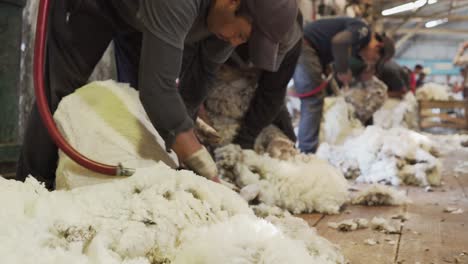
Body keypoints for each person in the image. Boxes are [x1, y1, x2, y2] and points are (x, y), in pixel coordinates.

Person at [16, 0, 299, 189]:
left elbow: (199, 79)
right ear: (233, 1)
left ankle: (139, 187)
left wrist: (182, 140)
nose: (237, 43)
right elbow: (158, 91)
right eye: (242, 35)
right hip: (96, 4)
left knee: (148, 113)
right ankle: (31, 187)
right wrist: (202, 163)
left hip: (140, 13)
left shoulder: (224, 26)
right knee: (57, 94)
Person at [292, 17, 394, 154]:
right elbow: (339, 42)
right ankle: (307, 152)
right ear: (377, 47)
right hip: (305, 47)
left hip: (304, 46)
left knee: (275, 93)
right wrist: (343, 70)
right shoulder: (363, 31)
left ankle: (289, 139)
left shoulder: (357, 42)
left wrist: (325, 66)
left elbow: (330, 44)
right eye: (374, 59)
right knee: (313, 101)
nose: (368, 60)